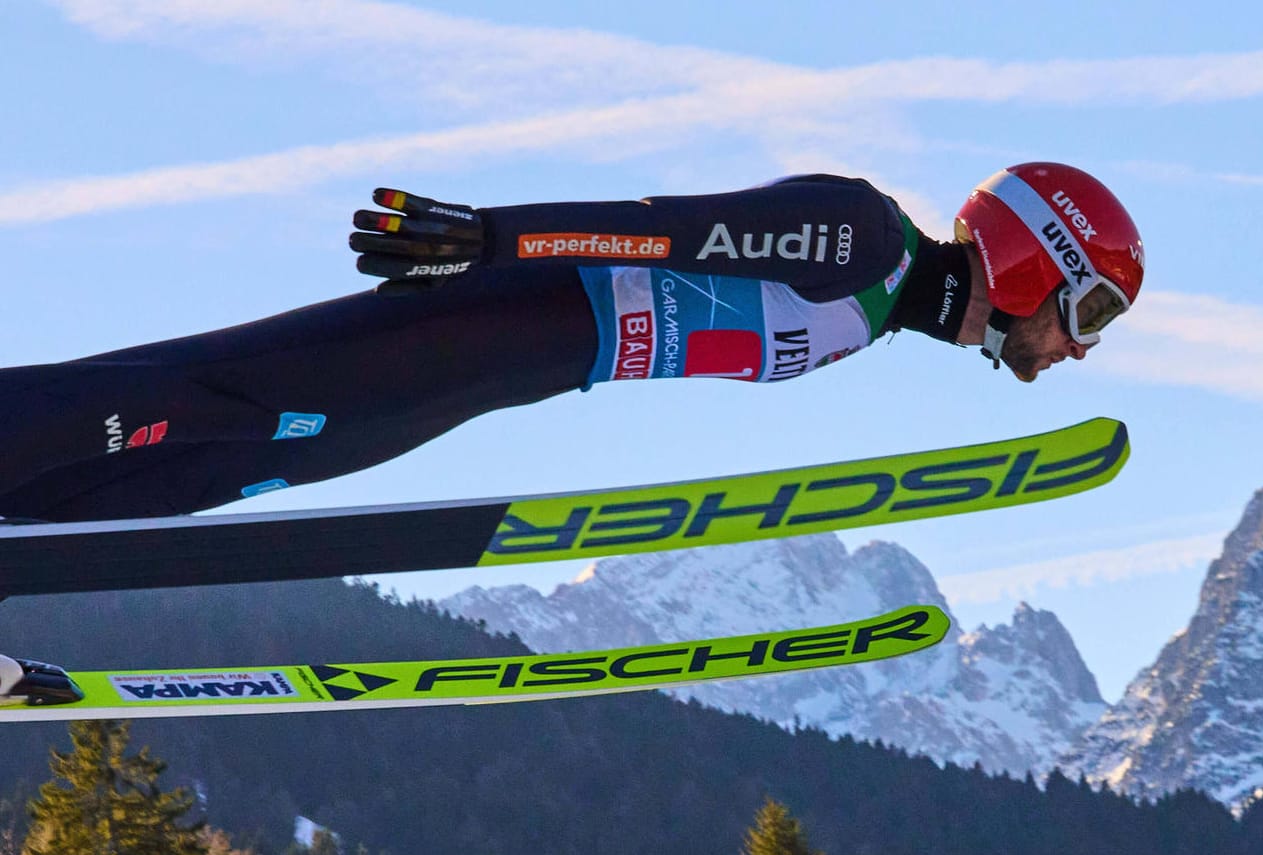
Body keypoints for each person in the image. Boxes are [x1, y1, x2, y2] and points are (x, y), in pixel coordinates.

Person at [0, 162, 1144, 525]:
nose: (1077, 347)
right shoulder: (862, 238)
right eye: (1085, 312)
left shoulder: (881, 311)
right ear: (1031, 260)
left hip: (526, 369)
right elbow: (661, 231)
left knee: (231, 467)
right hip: (500, 323)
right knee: (219, 399)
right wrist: (487, 240)